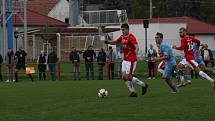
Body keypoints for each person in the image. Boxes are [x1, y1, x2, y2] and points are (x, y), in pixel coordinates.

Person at [104, 23, 148, 97]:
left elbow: (136, 46)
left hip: (131, 60)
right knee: (124, 77)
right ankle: (133, 92)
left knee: (129, 77)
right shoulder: (122, 37)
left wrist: (136, 52)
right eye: (122, 30)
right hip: (125, 60)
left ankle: (143, 85)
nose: (122, 31)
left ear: (127, 29)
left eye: (123, 30)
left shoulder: (131, 37)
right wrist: (108, 42)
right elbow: (115, 42)